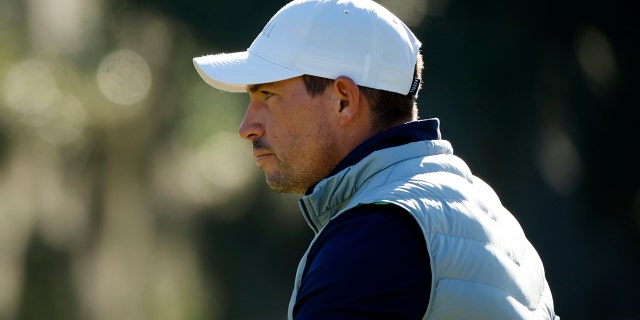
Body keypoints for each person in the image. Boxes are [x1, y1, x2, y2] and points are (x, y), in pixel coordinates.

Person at [193, 0, 559, 319]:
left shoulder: (374, 235)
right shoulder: (482, 205)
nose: (247, 127)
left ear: (343, 101)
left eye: (268, 95)